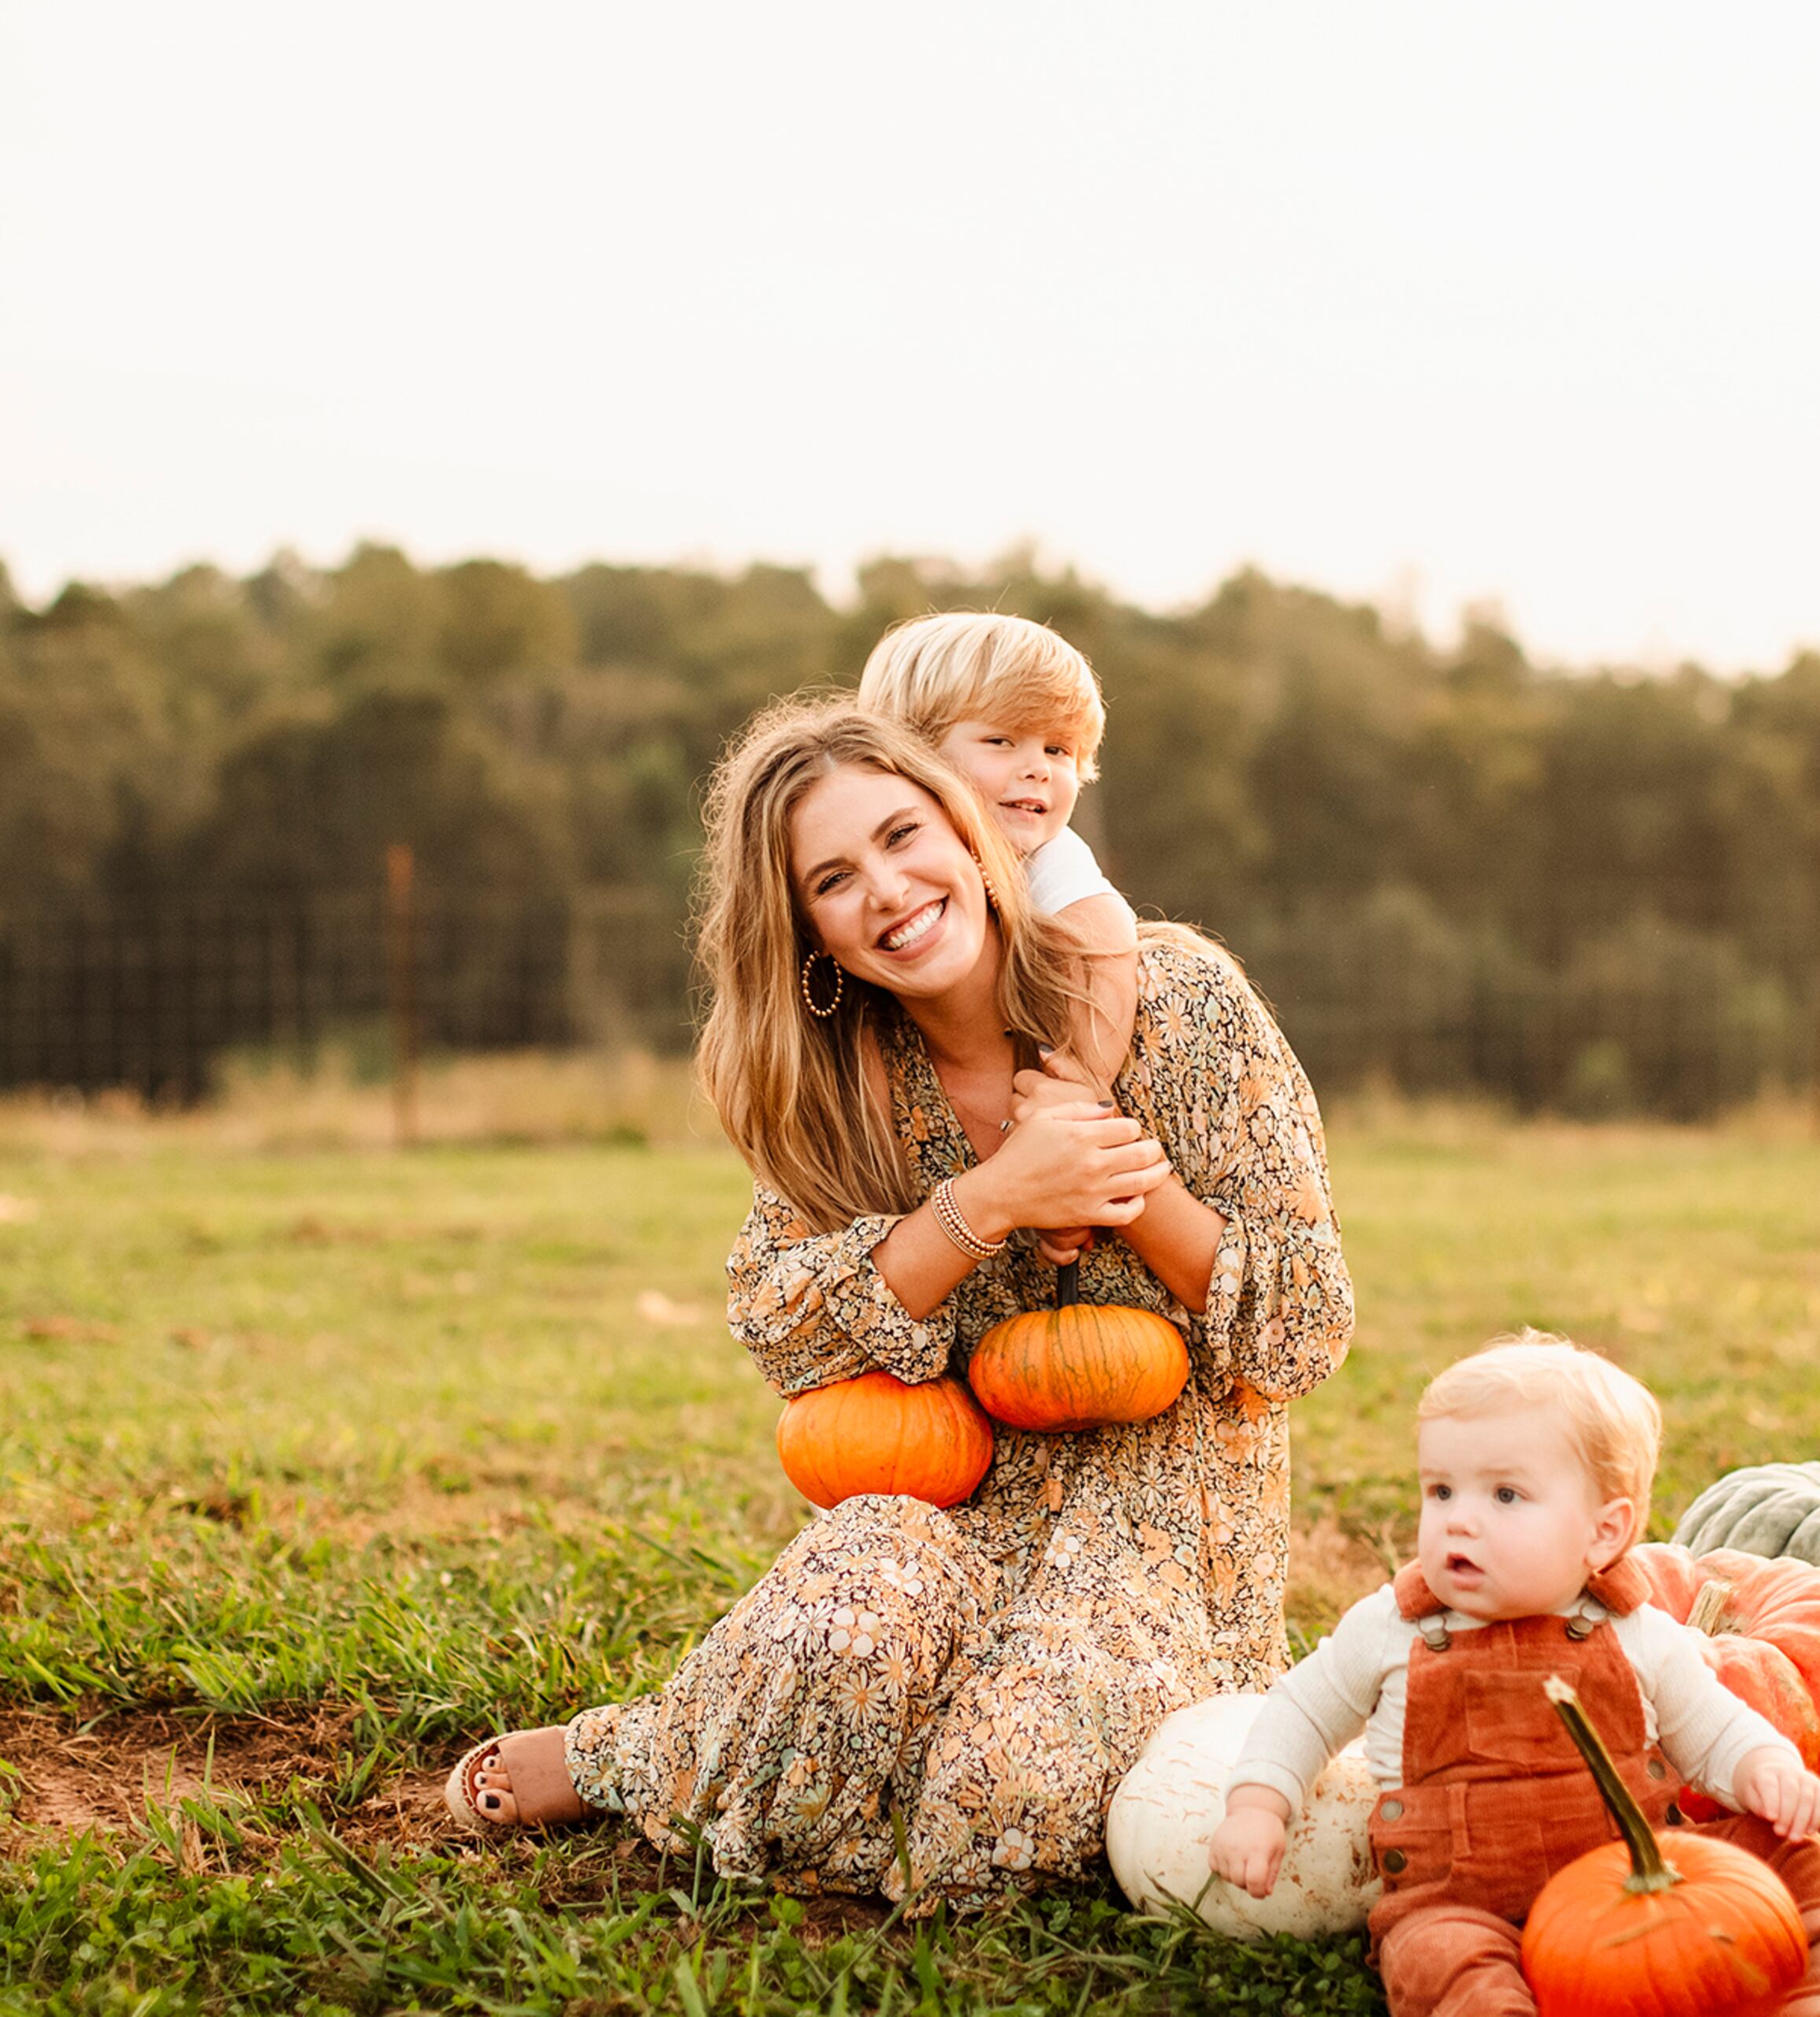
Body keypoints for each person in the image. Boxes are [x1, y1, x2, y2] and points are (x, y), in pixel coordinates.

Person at [441, 699, 1353, 1911]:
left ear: (969, 831)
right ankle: (686, 1753)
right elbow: (782, 1325)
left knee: (1001, 1794)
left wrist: (1117, 1180)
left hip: (1167, 1537)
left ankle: (696, 1761)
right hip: (944, 1510)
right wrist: (988, 1200)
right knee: (841, 1621)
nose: (887, 889)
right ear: (809, 930)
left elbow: (1306, 1325)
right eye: (834, 878)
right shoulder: (839, 1088)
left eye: (901, 835)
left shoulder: (1182, 1002)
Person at [1206, 1335, 1820, 2017]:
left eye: (1506, 1494)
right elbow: (1305, 1710)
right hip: (1461, 1899)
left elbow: (1713, 1729)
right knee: (1435, 1951)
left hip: (1637, 1871)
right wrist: (1258, 1804)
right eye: (1441, 1489)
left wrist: (1764, 1766)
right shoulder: (1392, 1627)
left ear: (1604, 1533)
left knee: (1790, 1850)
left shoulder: (1634, 1630)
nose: (1459, 1518)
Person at [856, 612, 1140, 1089]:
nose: (1038, 769)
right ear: (914, 752)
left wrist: (1079, 1085)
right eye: (1001, 741)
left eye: (1058, 750)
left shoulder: (1049, 857)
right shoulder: (880, 852)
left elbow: (1107, 944)